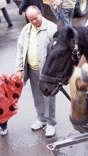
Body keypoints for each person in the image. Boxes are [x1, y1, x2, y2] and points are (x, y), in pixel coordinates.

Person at [15, 6, 57, 138]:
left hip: (47, 72)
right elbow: (20, 49)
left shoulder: (52, 28)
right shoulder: (26, 29)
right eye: (30, 19)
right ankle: (41, 119)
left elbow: (58, 53)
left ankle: (50, 123)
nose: (33, 22)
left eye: (35, 18)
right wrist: (19, 68)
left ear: (40, 13)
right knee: (37, 95)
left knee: (49, 97)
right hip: (32, 69)